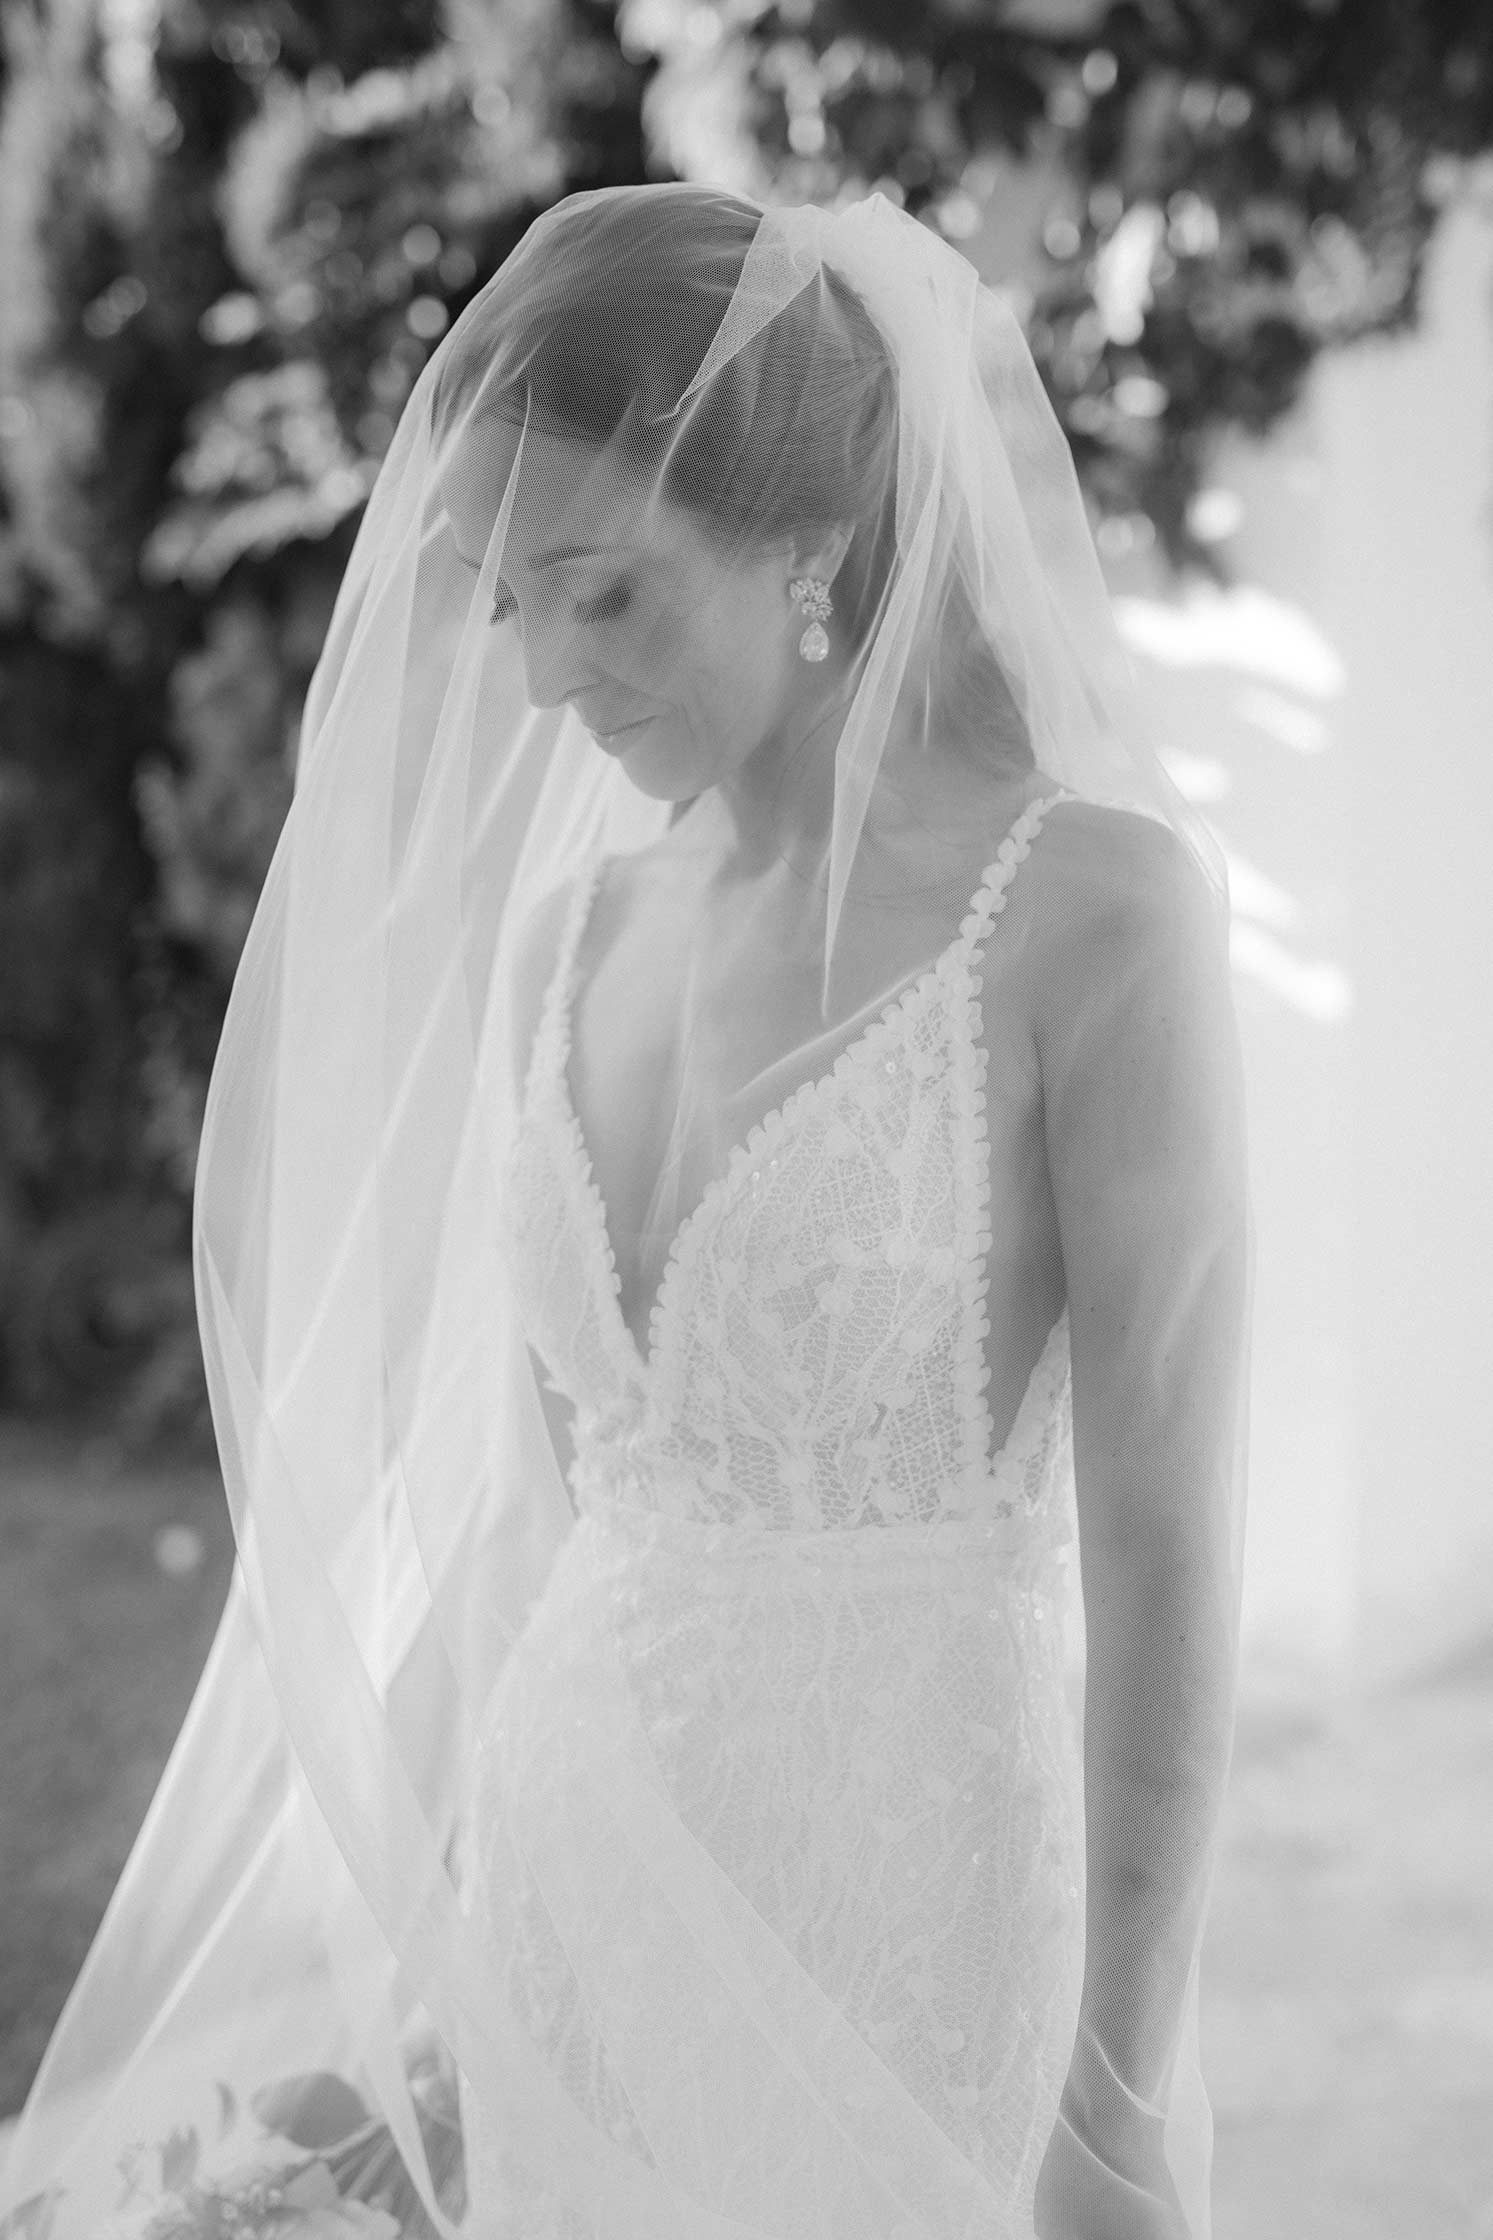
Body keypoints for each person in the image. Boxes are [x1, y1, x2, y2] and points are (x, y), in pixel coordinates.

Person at [0, 183, 1249, 2240]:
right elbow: (518, 1516)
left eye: (607, 592)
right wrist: (417, 1967)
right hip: (575, 1899)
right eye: (511, 598)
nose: (550, 674)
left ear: (811, 547)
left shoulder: (1094, 915)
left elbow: (1173, 1548)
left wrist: (1120, 2083)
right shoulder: (570, 939)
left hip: (914, 1920)